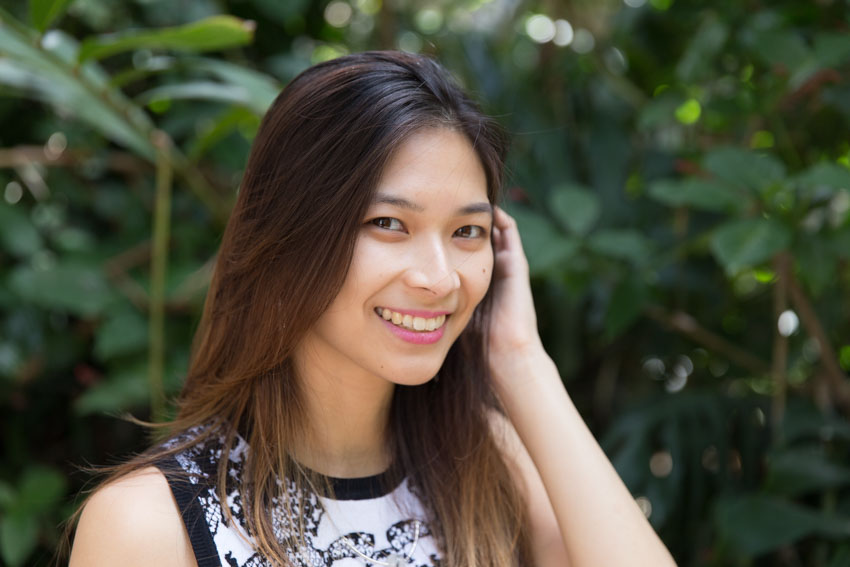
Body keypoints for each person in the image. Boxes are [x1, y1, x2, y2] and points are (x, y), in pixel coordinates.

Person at [69, 51, 676, 567]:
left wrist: (521, 360)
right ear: (288, 237)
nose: (439, 280)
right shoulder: (149, 525)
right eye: (388, 223)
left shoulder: (486, 465)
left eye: (467, 232)